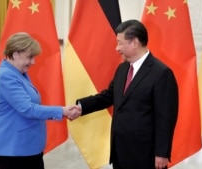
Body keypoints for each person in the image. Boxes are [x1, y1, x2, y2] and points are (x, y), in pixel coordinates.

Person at [76, 20, 178, 169]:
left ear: (135, 43)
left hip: (145, 155)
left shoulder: (161, 73)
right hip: (120, 150)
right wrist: (80, 107)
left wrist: (161, 153)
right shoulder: (123, 68)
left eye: (120, 43)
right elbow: (109, 96)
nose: (117, 48)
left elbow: (166, 118)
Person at [0, 32, 80, 169]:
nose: (33, 62)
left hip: (26, 147)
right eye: (30, 57)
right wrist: (62, 111)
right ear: (15, 54)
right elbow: (28, 109)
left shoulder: (18, 73)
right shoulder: (7, 76)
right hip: (14, 149)